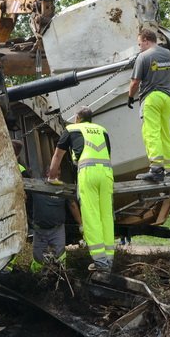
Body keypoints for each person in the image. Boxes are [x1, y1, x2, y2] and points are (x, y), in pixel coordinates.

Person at [46, 107, 115, 272]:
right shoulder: (102, 130)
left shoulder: (71, 129)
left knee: (91, 215)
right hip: (107, 173)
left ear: (77, 118)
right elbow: (107, 153)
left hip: (88, 172)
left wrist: (52, 177)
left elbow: (57, 156)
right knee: (106, 215)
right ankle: (109, 259)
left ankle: (100, 262)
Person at [129, 28, 170, 183]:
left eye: (139, 44)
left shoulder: (143, 57)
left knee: (152, 133)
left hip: (151, 98)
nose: (139, 47)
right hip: (167, 98)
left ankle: (156, 169)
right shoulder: (168, 54)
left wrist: (130, 96)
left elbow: (135, 82)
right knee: (166, 133)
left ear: (145, 40)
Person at [29, 184, 68, 273]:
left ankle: (60, 275)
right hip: (39, 230)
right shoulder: (35, 185)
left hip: (57, 229)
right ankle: (35, 276)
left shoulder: (63, 188)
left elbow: (72, 205)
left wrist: (81, 223)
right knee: (38, 257)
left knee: (59, 255)